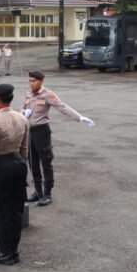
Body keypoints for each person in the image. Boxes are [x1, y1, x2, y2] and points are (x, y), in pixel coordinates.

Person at [20, 69, 94, 206]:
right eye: (29, 81)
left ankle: (47, 193)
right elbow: (21, 109)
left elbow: (62, 107)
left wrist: (79, 118)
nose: (31, 84)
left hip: (42, 132)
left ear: (41, 81)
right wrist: (24, 112)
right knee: (32, 162)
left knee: (46, 161)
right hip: (29, 132)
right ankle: (38, 191)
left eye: (34, 81)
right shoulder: (28, 94)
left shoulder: (48, 95)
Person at [0, 83, 29, 266]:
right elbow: (24, 148)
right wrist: (22, 166)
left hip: (1, 168)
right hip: (18, 165)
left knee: (1, 212)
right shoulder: (21, 118)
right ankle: (14, 251)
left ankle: (5, 253)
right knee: (16, 211)